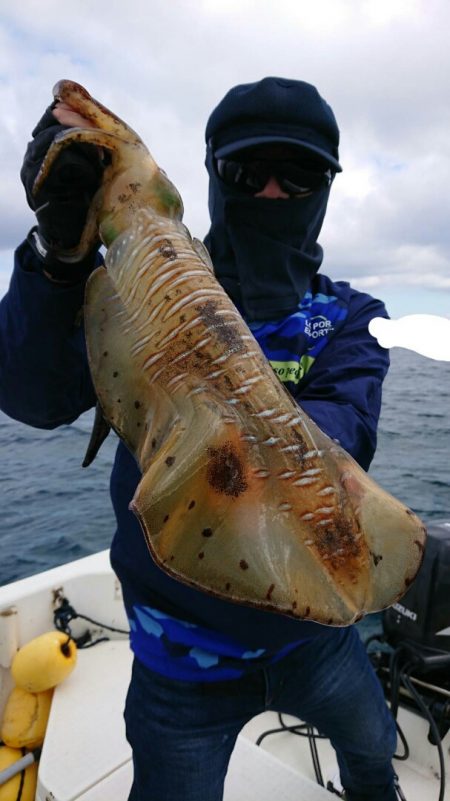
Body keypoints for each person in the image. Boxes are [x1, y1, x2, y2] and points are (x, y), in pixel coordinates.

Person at [0, 77, 398, 801]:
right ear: (212, 177)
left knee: (373, 757)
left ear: (326, 188)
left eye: (298, 174)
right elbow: (32, 397)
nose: (272, 194)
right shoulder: (129, 290)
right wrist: (59, 261)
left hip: (315, 638)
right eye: (249, 173)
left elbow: (346, 437)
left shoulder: (347, 318)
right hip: (179, 655)